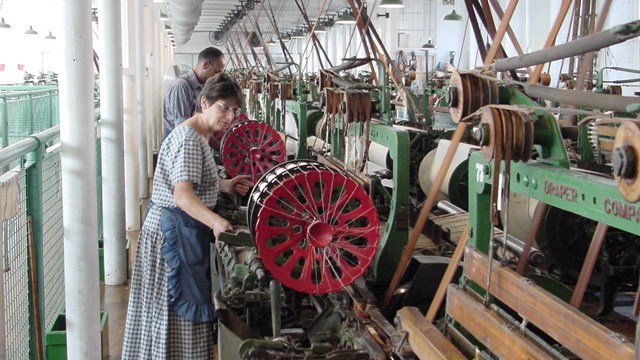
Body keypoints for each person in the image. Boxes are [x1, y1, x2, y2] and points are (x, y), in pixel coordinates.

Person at [123, 73, 253, 359]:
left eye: (234, 110)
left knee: (165, 310)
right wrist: (218, 223)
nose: (230, 116)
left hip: (175, 228)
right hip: (174, 235)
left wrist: (224, 185)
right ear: (204, 102)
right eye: (223, 107)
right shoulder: (190, 140)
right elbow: (183, 195)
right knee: (173, 309)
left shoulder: (196, 134)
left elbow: (187, 181)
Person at [163, 46, 225, 139]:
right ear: (206, 65)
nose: (217, 77)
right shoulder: (181, 86)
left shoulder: (201, 87)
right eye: (216, 71)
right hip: (180, 141)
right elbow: (182, 128)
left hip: (192, 137)